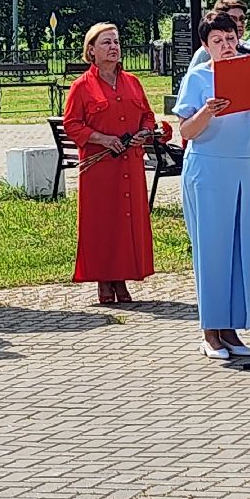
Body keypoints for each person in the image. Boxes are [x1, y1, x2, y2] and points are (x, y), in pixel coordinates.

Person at [174, 10, 250, 359]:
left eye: (230, 39)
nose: (226, 46)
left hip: (245, 166)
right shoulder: (198, 77)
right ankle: (210, 332)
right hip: (209, 169)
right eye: (217, 41)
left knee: (242, 248)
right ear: (206, 46)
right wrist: (207, 111)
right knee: (212, 249)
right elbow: (185, 131)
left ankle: (231, 328)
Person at [62, 22, 157, 305]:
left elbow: (147, 116)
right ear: (91, 50)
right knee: (103, 222)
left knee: (128, 220)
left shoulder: (132, 82)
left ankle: (123, 277)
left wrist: (145, 131)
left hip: (130, 163)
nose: (113, 47)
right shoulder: (82, 87)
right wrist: (100, 138)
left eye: (116, 42)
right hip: (100, 167)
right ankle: (104, 280)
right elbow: (72, 124)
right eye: (106, 42)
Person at [188, 0, 250, 69]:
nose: (239, 24)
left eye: (242, 19)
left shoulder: (248, 49)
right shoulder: (204, 53)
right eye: (233, 19)